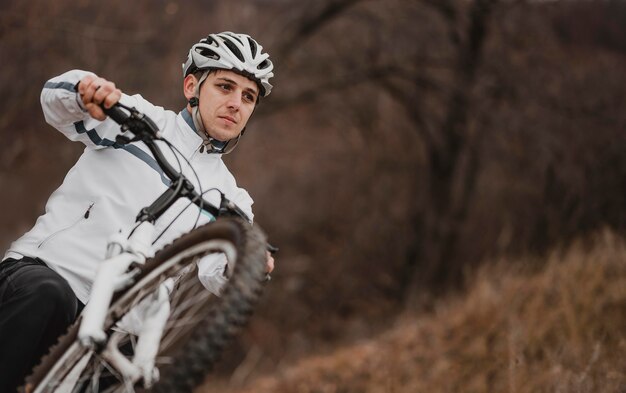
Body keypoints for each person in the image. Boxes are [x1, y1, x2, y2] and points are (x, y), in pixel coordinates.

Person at [0, 31, 275, 392]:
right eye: (225, 87)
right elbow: (56, 103)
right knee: (47, 295)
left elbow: (218, 273)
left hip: (118, 329)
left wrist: (252, 263)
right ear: (192, 86)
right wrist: (86, 90)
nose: (236, 103)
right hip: (49, 276)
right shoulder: (142, 121)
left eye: (248, 96)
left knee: (131, 374)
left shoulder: (231, 199)